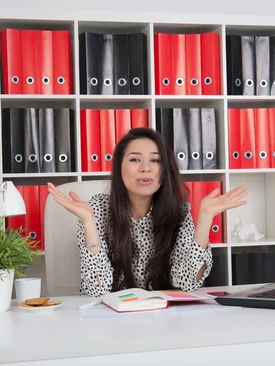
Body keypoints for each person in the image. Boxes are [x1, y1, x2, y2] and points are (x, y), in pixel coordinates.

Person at [47, 127, 247, 297]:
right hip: (112, 319)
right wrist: (89, 223)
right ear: (119, 167)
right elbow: (96, 290)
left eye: (155, 160)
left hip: (165, 317)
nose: (145, 168)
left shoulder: (178, 212)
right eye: (134, 160)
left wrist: (204, 219)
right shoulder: (97, 209)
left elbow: (187, 283)